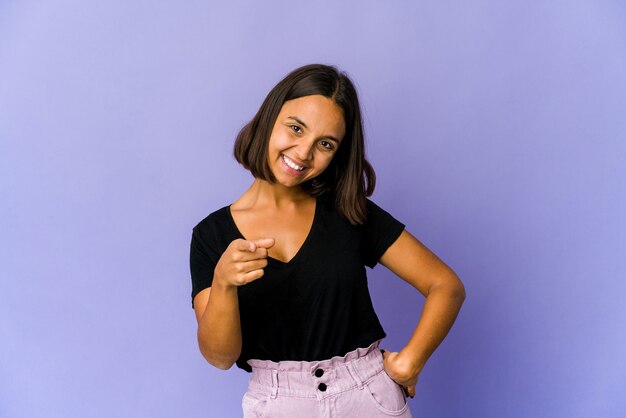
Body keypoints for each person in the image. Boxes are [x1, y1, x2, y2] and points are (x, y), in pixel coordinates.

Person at [189, 64, 466, 417]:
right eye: (295, 128)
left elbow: (445, 285)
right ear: (269, 118)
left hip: (368, 396)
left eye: (324, 144)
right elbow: (220, 357)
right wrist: (224, 282)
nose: (303, 153)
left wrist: (410, 362)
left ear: (337, 153)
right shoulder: (211, 235)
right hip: (278, 403)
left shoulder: (349, 211)